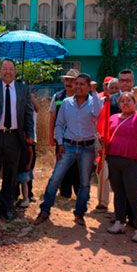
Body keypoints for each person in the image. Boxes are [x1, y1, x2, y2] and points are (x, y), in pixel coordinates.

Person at [34, 74, 102, 226]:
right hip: (68, 146)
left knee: (84, 183)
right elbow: (59, 124)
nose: (77, 86)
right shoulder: (65, 102)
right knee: (55, 179)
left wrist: (95, 92)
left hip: (87, 148)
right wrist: (60, 143)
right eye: (76, 84)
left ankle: (79, 214)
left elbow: (98, 113)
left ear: (88, 86)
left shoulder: (93, 102)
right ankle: (45, 210)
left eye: (82, 84)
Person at [0, 59, 34, 221]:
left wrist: (30, 133)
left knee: (11, 174)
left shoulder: (23, 89)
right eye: (5, 68)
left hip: (15, 137)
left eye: (11, 68)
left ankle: (7, 206)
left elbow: (28, 113)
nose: (8, 71)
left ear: (15, 71)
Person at [106, 88, 137, 243]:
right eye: (122, 101)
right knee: (118, 193)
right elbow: (105, 133)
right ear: (119, 104)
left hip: (133, 162)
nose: (125, 103)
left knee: (134, 196)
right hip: (113, 160)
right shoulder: (112, 117)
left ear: (134, 103)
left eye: (129, 100)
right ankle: (119, 222)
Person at [48, 68, 80, 199]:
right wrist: (51, 136)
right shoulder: (58, 97)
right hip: (62, 139)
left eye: (72, 80)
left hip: (78, 139)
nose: (69, 82)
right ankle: (65, 193)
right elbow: (52, 118)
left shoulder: (83, 98)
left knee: (77, 167)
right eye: (67, 79)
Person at [95, 77, 115, 211]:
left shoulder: (122, 101)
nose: (111, 89)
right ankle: (101, 201)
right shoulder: (99, 99)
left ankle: (110, 204)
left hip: (115, 141)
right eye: (108, 86)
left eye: (114, 87)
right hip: (100, 139)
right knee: (101, 171)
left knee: (111, 174)